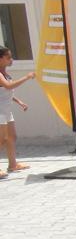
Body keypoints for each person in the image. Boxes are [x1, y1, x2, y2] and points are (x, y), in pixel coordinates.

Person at [0, 46, 35, 178]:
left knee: (11, 137)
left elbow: (5, 92)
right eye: (8, 57)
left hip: (6, 110)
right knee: (1, 140)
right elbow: (8, 86)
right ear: (0, 58)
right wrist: (26, 77)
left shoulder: (5, 73)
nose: (11, 59)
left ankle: (12, 164)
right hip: (0, 111)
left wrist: (19, 102)